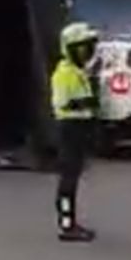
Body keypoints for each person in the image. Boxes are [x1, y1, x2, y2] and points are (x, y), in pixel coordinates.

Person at [51, 22, 100, 243]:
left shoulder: (78, 72)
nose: (86, 52)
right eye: (81, 47)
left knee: (74, 176)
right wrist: (87, 102)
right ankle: (66, 224)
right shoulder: (64, 73)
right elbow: (63, 103)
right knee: (68, 178)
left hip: (79, 128)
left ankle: (71, 222)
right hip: (70, 128)